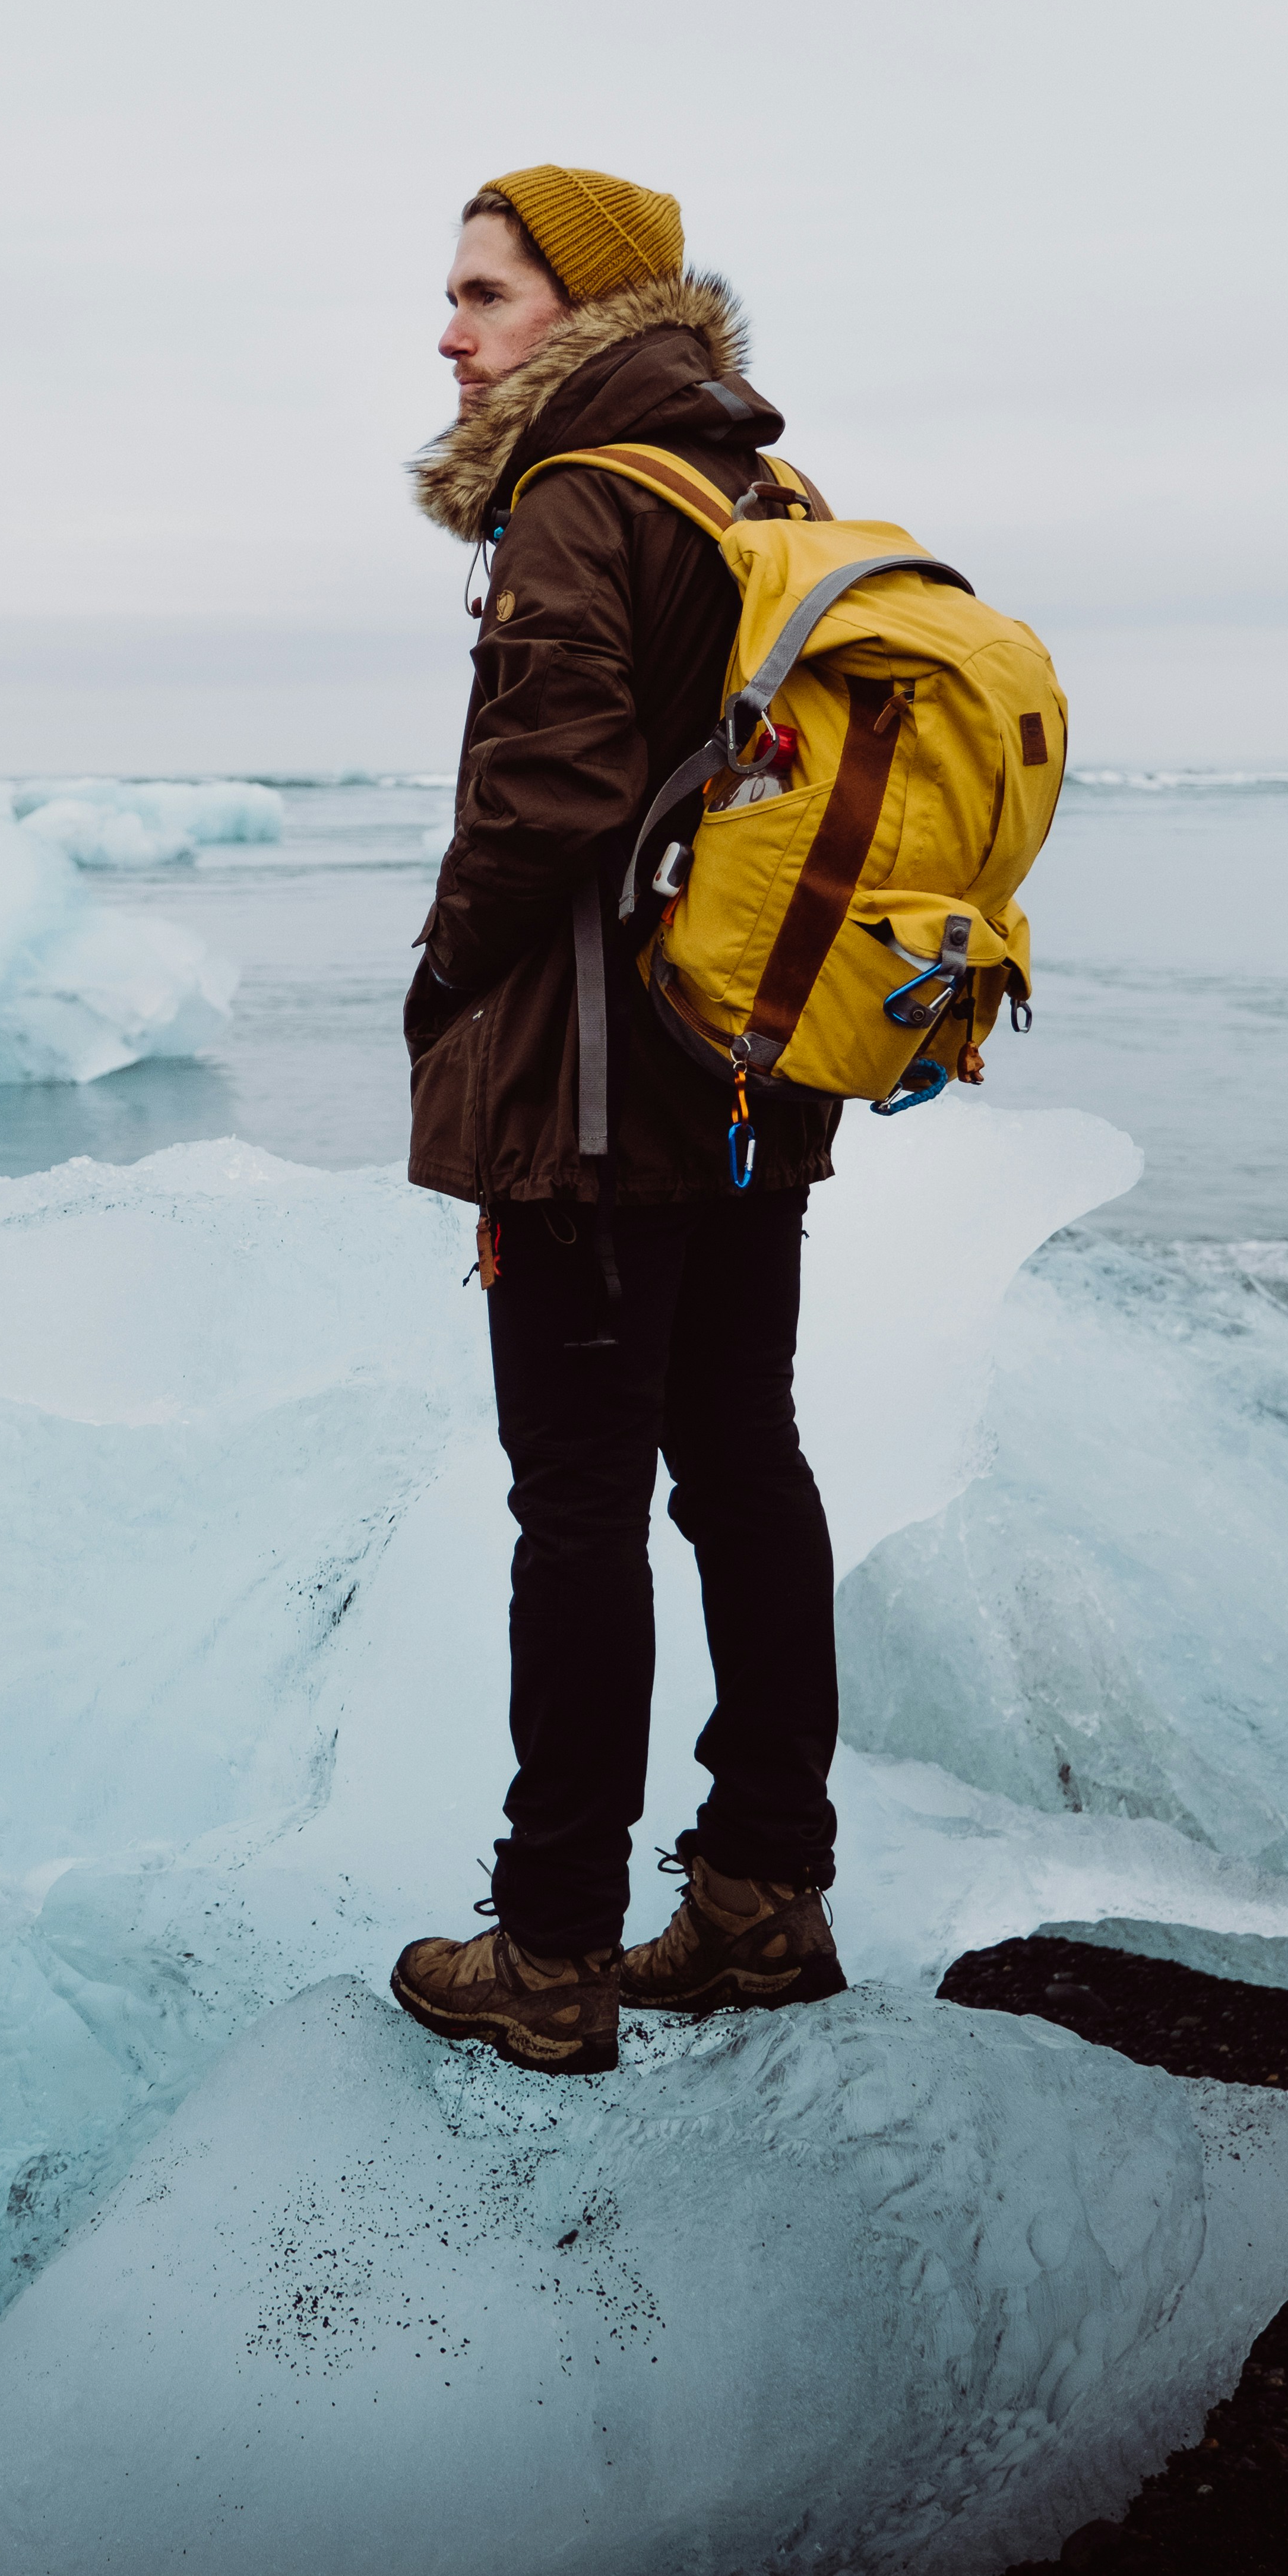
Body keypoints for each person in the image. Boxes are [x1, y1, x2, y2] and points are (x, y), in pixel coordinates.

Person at [388, 163, 847, 2079]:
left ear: (582, 309)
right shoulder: (764, 487)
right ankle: (761, 1890)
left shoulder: (581, 487)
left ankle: (555, 1941)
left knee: (577, 1505)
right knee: (741, 1457)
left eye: (484, 291)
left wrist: (441, 980)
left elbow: (552, 787)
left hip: (592, 1096)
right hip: (755, 1070)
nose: (449, 328)